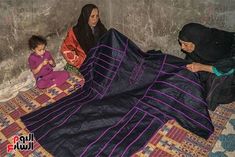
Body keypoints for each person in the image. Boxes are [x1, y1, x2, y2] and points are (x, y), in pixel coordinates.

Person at [178, 23, 235, 110]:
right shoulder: (200, 44)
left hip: (230, 68)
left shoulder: (217, 48)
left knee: (217, 81)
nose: (182, 48)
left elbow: (228, 68)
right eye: (181, 43)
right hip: (218, 64)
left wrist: (202, 67)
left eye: (185, 44)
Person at [60, 4, 107, 74]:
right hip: (85, 64)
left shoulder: (101, 28)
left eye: (97, 16)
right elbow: (65, 49)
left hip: (100, 61)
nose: (95, 19)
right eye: (92, 16)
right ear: (86, 17)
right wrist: (80, 61)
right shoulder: (75, 32)